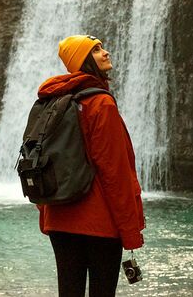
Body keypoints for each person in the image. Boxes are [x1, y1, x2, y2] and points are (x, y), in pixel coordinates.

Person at [36, 34, 145, 297]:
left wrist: (46, 213)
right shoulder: (100, 103)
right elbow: (115, 173)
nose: (106, 52)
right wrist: (130, 232)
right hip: (99, 222)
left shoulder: (52, 100)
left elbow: (41, 158)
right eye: (96, 50)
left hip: (59, 218)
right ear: (84, 61)